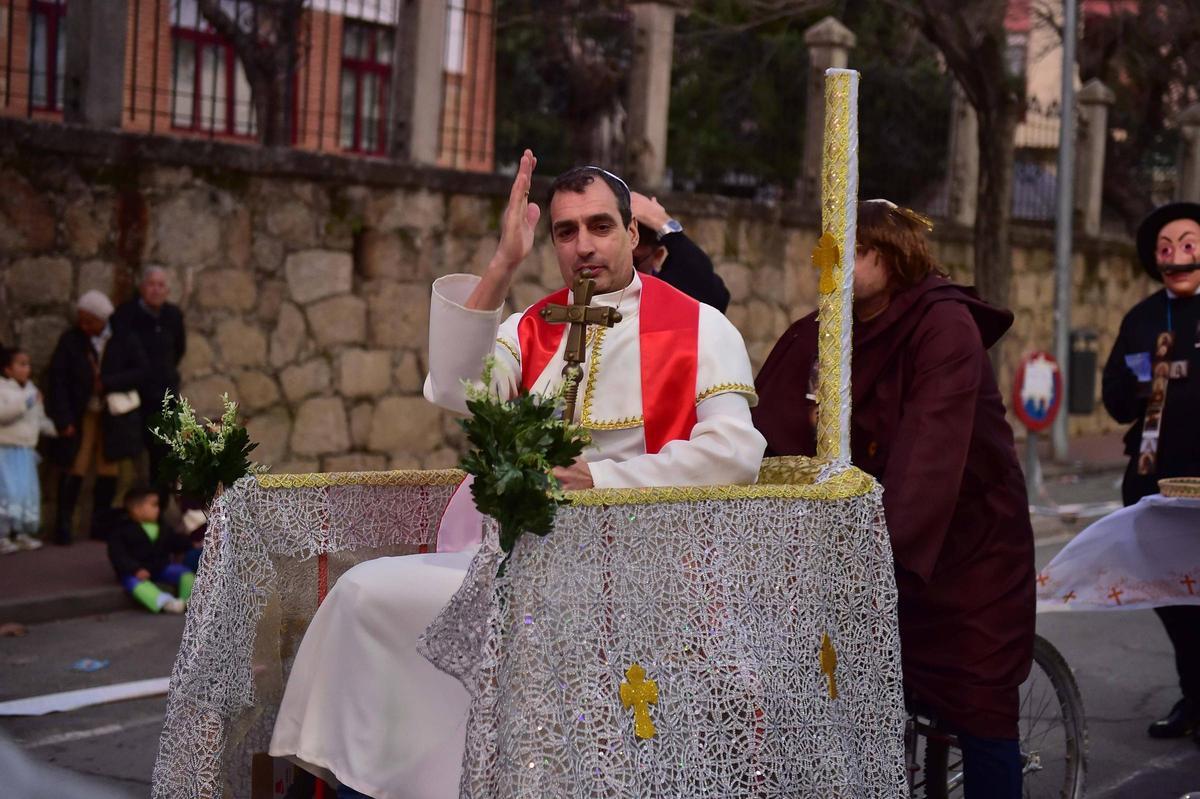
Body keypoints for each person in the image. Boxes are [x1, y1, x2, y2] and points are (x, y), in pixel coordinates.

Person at [270, 151, 766, 799]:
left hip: (642, 572)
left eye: (600, 226)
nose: (584, 245)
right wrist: (503, 263)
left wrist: (602, 481)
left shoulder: (701, 328)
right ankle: (384, 783)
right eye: (566, 232)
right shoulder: (531, 325)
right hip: (517, 560)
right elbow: (454, 387)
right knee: (363, 595)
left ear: (633, 234)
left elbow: (735, 453)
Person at [752, 200, 1035, 799]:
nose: (831, 266)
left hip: (964, 552)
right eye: (827, 253)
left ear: (893, 256)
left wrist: (880, 547)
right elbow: (768, 429)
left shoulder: (944, 327)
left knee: (979, 703)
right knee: (849, 701)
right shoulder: (825, 328)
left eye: (850, 253)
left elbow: (929, 453)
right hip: (859, 549)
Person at [1101, 201, 1200, 743]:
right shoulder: (1140, 319)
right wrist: (1141, 386)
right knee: (1171, 596)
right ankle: (1195, 694)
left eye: (1188, 244)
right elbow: (1114, 398)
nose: (1177, 257)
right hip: (1153, 485)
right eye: (1166, 249)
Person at [46, 291, 148, 545]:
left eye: (90, 321)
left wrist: (109, 383)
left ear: (102, 319)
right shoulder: (71, 341)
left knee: (108, 467)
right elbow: (57, 380)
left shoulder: (123, 337)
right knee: (75, 464)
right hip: (82, 413)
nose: (84, 326)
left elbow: (142, 371)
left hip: (112, 415)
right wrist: (63, 418)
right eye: (81, 320)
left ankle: (100, 525)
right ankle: (64, 525)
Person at [111, 266, 187, 502]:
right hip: (134, 397)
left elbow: (178, 350)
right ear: (142, 288)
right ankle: (129, 513)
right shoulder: (126, 315)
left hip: (164, 397)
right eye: (151, 284)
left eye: (161, 285)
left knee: (164, 456)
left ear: (168, 290)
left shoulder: (173, 316)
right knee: (130, 459)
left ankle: (158, 510)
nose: (156, 289)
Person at [630, 191, 731, 312]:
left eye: (633, 262)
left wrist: (664, 224)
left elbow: (713, 299)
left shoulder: (665, 292)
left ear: (657, 257)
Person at [106, 484, 193, 614]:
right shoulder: (122, 529)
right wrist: (135, 569)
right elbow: (118, 555)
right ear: (136, 509)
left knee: (186, 573)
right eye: (154, 505)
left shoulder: (163, 527)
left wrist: (190, 543)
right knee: (134, 583)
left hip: (161, 567)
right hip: (136, 571)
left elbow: (174, 542)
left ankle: (188, 600)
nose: (158, 509)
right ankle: (165, 602)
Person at [0, 347, 55, 554]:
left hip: (26, 451)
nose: (27, 369)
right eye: (21, 364)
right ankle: (2, 535)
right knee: (7, 493)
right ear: (7, 369)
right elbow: (3, 414)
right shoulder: (3, 390)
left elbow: (38, 419)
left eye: (28, 365)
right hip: (6, 451)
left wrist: (54, 428)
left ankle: (21, 532)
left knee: (25, 494)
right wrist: (27, 402)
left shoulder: (32, 391)